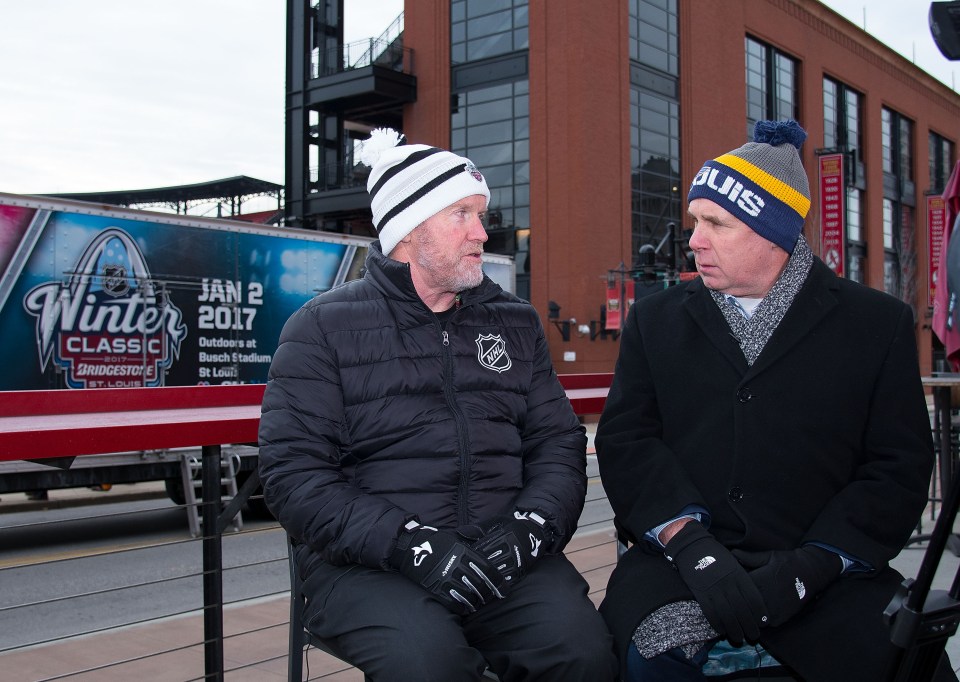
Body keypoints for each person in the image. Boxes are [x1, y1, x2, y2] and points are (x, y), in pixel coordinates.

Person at [595, 119, 953, 681]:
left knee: (904, 665)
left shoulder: (877, 324)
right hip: (679, 567)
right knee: (640, 657)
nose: (694, 240)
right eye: (695, 220)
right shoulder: (656, 320)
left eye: (716, 223)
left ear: (774, 233)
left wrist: (815, 565)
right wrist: (691, 547)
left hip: (830, 577)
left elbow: (898, 466)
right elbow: (627, 441)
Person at [259, 128, 617, 682]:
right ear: (409, 228)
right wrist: (408, 545)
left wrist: (532, 526)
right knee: (429, 664)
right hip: (371, 564)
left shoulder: (514, 322)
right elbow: (294, 475)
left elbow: (557, 442)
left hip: (502, 552)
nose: (482, 232)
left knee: (583, 654)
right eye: (461, 214)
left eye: (481, 214)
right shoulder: (322, 328)